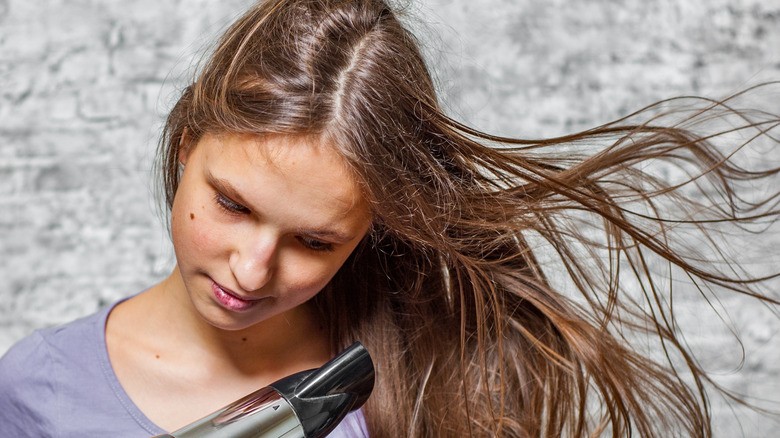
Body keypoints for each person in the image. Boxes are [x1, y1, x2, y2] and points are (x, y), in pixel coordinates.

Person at [1, 0, 779, 436]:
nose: (251, 269)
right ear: (184, 144)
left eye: (313, 241)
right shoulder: (37, 391)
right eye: (233, 204)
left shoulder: (415, 391)